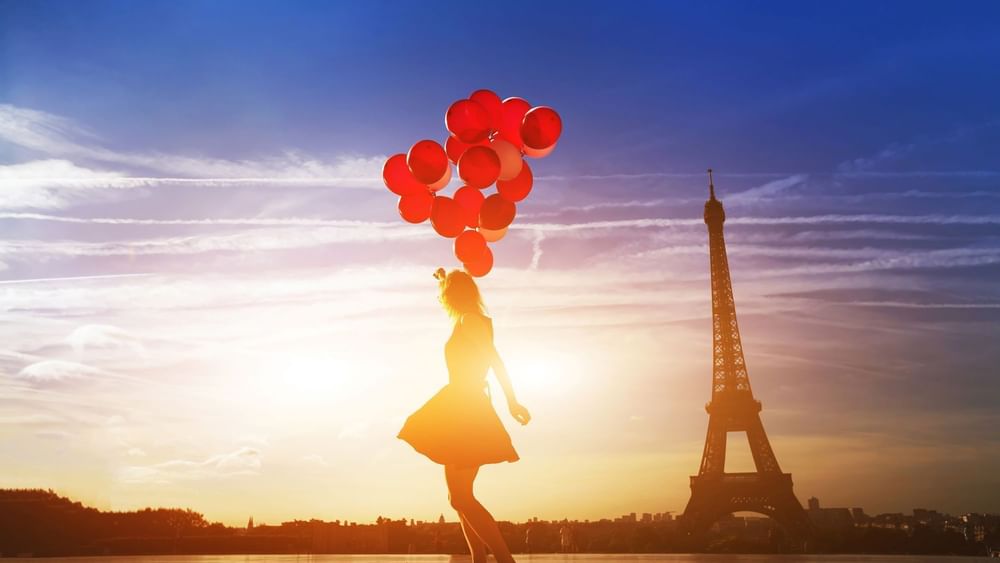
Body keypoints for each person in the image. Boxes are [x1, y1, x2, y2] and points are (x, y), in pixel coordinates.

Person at [398, 268, 531, 563]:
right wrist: (444, 278)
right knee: (457, 498)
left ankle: (504, 560)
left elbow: (494, 359)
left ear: (453, 296)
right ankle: (478, 559)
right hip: (459, 405)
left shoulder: (470, 320)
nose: (442, 299)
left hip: (467, 408)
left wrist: (512, 401)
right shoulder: (465, 318)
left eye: (445, 294)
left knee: (461, 498)